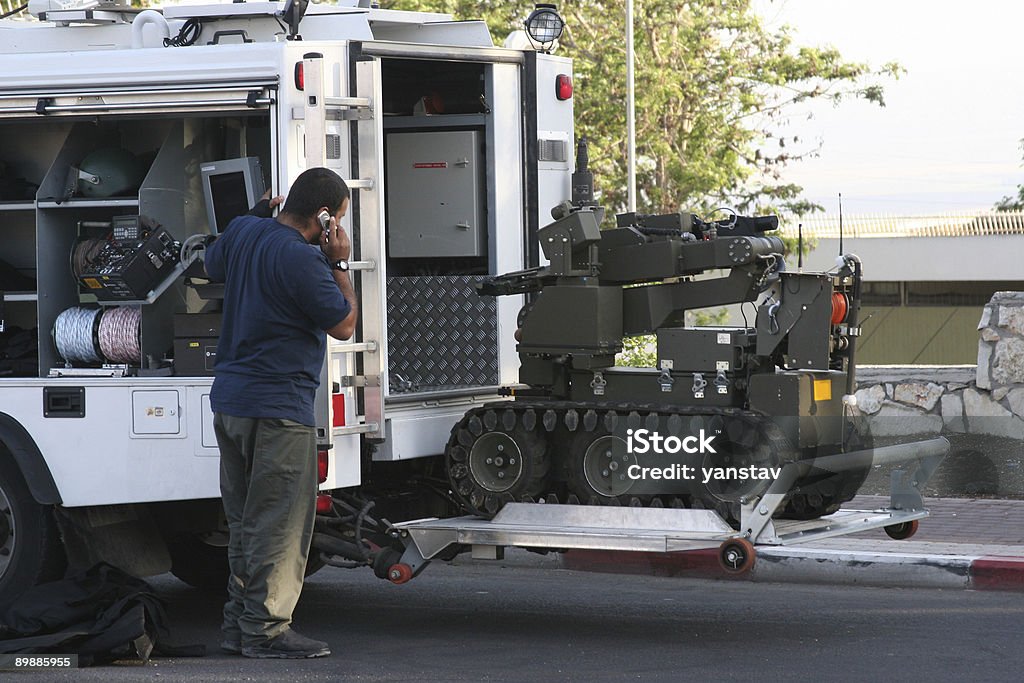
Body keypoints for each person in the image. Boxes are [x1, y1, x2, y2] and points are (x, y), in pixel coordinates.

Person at [203, 167, 358, 659]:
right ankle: (266, 631)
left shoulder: (246, 231)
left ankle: (238, 624)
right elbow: (344, 324)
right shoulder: (303, 261)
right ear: (325, 217)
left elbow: (211, 261)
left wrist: (253, 213)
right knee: (279, 526)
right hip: (278, 410)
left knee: (245, 521)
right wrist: (340, 264)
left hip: (231, 403)